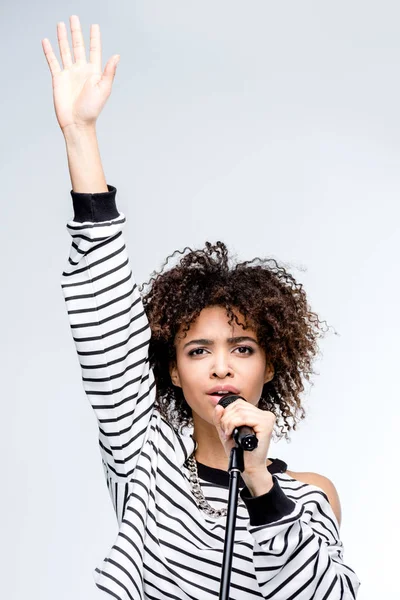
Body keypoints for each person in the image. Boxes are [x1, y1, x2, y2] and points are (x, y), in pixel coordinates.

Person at [42, 15, 361, 600]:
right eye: (198, 350)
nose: (220, 367)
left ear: (270, 366)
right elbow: (105, 323)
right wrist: (81, 136)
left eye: (242, 349)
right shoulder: (147, 458)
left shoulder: (312, 496)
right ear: (171, 368)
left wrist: (262, 483)